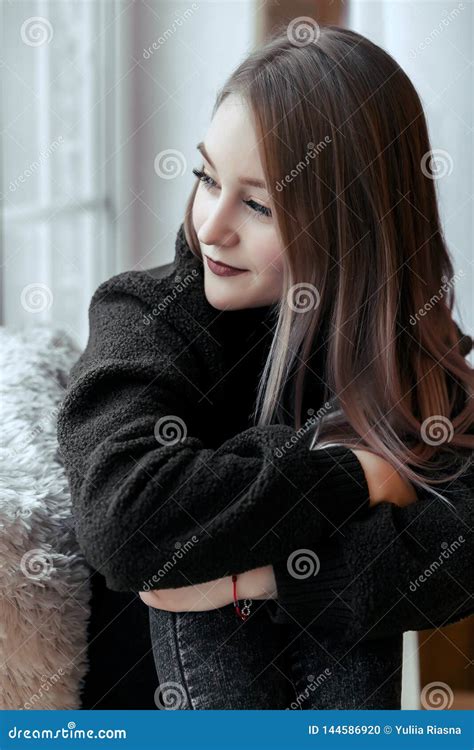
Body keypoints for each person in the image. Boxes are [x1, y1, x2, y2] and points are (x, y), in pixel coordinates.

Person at [57, 25, 473, 710]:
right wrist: (350, 471)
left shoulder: (405, 346)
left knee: (326, 582)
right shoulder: (143, 312)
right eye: (206, 178)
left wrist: (265, 578)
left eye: (256, 205)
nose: (211, 225)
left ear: (352, 227)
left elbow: (458, 547)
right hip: (151, 700)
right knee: (204, 537)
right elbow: (126, 523)